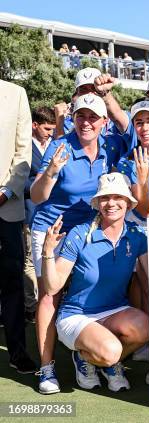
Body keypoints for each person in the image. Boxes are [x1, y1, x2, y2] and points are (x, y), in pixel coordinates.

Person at [29, 94, 120, 394]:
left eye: (93, 117)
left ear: (103, 123)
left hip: (89, 229)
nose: (86, 122)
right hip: (52, 231)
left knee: (93, 287)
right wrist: (52, 172)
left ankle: (85, 353)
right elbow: (38, 196)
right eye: (81, 116)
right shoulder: (60, 145)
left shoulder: (110, 147)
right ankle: (46, 369)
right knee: (49, 295)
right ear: (73, 118)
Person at [41, 173, 149, 392]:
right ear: (98, 203)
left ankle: (100, 362)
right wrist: (47, 252)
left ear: (128, 203)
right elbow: (53, 287)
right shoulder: (80, 234)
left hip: (114, 310)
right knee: (111, 351)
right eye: (105, 198)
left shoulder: (137, 235)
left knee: (145, 328)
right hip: (76, 315)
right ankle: (87, 358)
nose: (111, 203)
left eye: (118, 197)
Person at [0, 78, 36, 375]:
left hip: (6, 207)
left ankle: (17, 352)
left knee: (12, 282)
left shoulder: (15, 94)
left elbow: (23, 154)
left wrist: (6, 192)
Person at [24, 107, 57, 322]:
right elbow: (19, 180)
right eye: (46, 128)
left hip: (52, 215)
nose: (50, 133)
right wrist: (40, 182)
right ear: (34, 125)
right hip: (29, 211)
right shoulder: (24, 147)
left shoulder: (53, 146)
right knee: (28, 260)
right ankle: (31, 306)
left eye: (53, 129)